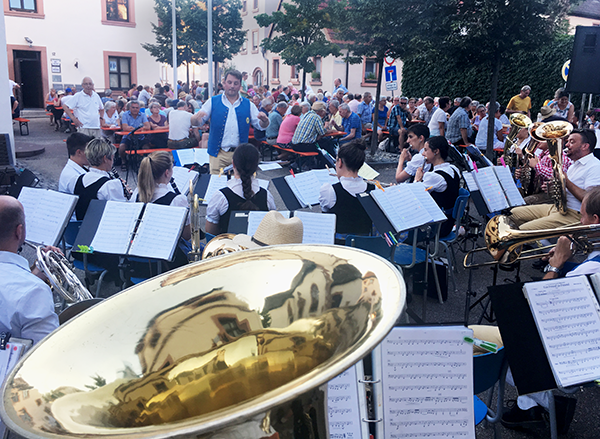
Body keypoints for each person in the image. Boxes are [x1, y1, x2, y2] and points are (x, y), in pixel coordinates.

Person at [510, 129, 600, 230]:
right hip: (558, 208)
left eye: (572, 142)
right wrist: (553, 187)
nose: (566, 144)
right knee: (513, 213)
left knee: (523, 229)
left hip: (575, 214)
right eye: (568, 141)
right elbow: (564, 189)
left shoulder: (595, 166)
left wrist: (564, 179)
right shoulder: (574, 165)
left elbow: (590, 200)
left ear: (585, 146)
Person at [0, 195, 59, 345]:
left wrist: (39, 271)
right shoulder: (33, 292)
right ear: (19, 232)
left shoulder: (29, 289)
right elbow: (43, 352)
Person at [192, 70, 269, 175]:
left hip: (240, 154)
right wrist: (195, 119)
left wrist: (265, 121)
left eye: (236, 83)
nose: (232, 86)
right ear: (224, 83)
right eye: (229, 82)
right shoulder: (213, 101)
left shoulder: (248, 104)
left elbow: (260, 126)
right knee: (216, 185)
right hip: (217, 154)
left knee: (237, 188)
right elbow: (197, 122)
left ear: (240, 85)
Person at [205, 143, 276, 235]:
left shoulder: (220, 197)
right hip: (258, 248)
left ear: (233, 164)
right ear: (257, 166)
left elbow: (210, 232)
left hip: (229, 247)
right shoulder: (267, 196)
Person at [319, 139, 374, 239]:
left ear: (340, 162)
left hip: (338, 247)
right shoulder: (373, 189)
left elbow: (325, 214)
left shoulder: (329, 190)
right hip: (365, 248)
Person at [413, 136, 460, 237]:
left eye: (426, 150)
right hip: (449, 221)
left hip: (437, 226)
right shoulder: (454, 169)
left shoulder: (433, 176)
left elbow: (415, 196)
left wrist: (417, 179)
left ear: (436, 151)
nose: (423, 154)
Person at [74, 138, 128, 221]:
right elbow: (121, 214)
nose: (112, 162)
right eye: (113, 158)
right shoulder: (110, 184)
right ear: (105, 159)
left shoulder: (80, 179)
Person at [117, 100, 151, 168]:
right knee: (121, 148)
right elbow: (125, 127)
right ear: (130, 108)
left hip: (140, 137)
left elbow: (148, 126)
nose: (135, 109)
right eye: (133, 107)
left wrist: (134, 129)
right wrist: (139, 128)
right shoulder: (125, 114)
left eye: (137, 108)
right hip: (128, 137)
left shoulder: (142, 114)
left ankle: (142, 162)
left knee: (147, 147)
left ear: (139, 108)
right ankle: (124, 161)